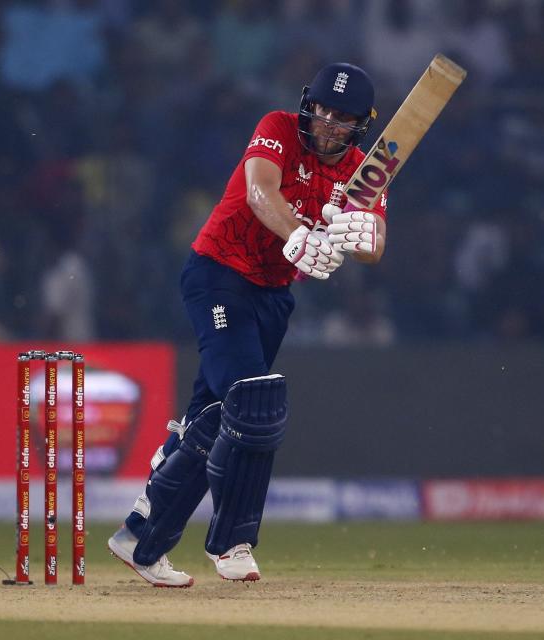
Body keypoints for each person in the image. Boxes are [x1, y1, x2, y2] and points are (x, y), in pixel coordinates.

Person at [108, 63, 388, 586]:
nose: (325, 121)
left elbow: (375, 248)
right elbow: (261, 192)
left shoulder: (363, 171)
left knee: (214, 417)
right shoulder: (278, 127)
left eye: (339, 116)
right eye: (321, 108)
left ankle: (141, 540)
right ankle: (232, 542)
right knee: (255, 400)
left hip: (272, 297)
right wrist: (299, 236)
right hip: (219, 273)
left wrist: (360, 233)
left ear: (359, 125)